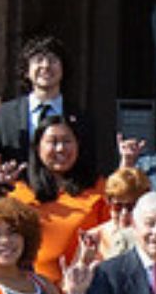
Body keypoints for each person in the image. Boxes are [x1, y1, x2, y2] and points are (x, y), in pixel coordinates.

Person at [8, 113, 108, 284]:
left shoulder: (99, 188)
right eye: (53, 142)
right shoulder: (18, 191)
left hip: (87, 286)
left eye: (67, 141)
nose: (61, 148)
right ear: (38, 147)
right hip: (33, 288)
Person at [0, 33, 93, 176]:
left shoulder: (80, 117)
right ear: (26, 71)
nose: (46, 66)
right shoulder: (5, 113)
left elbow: (88, 166)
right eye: (38, 60)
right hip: (16, 193)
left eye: (52, 60)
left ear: (63, 69)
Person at [94, 166, 153, 259]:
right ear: (108, 202)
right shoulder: (94, 237)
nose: (124, 213)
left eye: (131, 207)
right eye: (117, 206)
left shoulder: (153, 237)